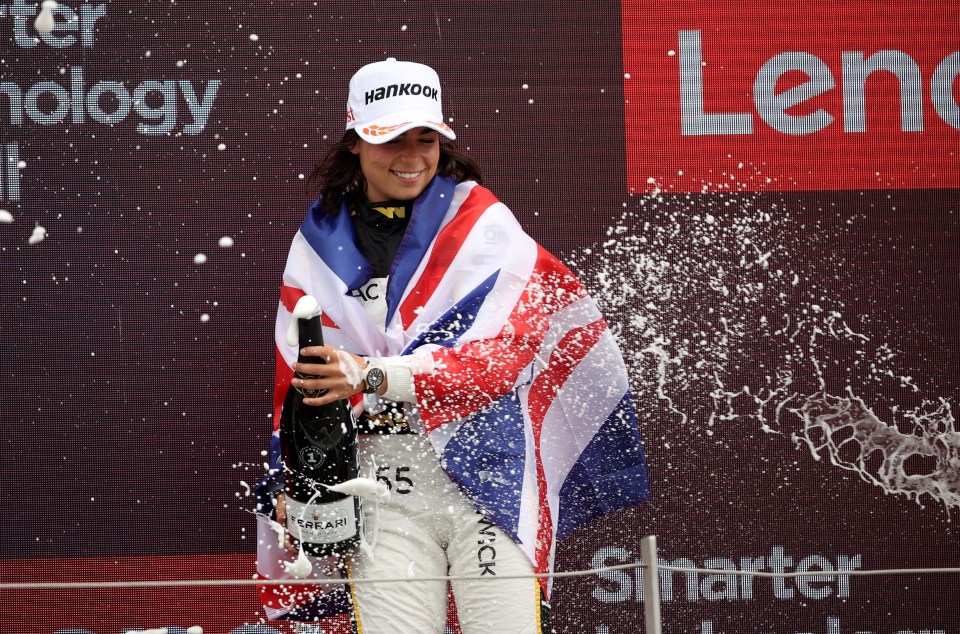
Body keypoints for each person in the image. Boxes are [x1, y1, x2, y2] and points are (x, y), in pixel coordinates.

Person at [256, 57, 650, 634]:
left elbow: (504, 360)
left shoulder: (487, 227)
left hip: (490, 472)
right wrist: (290, 479)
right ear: (356, 140)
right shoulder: (317, 243)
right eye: (392, 138)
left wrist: (369, 373)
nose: (412, 156)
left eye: (427, 137)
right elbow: (299, 382)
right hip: (382, 482)